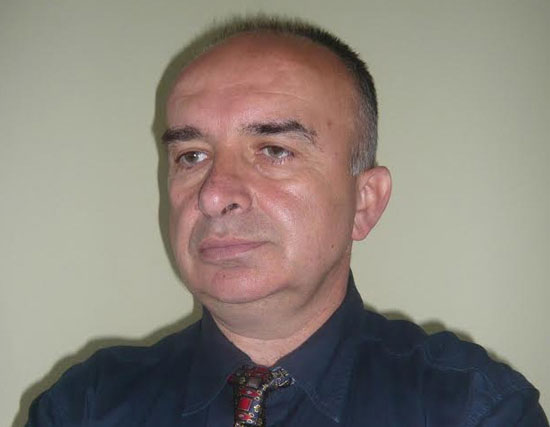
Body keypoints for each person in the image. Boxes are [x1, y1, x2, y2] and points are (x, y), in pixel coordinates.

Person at [26, 16, 548, 426]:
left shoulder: (471, 408)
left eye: (274, 150)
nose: (214, 194)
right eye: (191, 156)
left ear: (365, 202)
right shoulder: (85, 406)